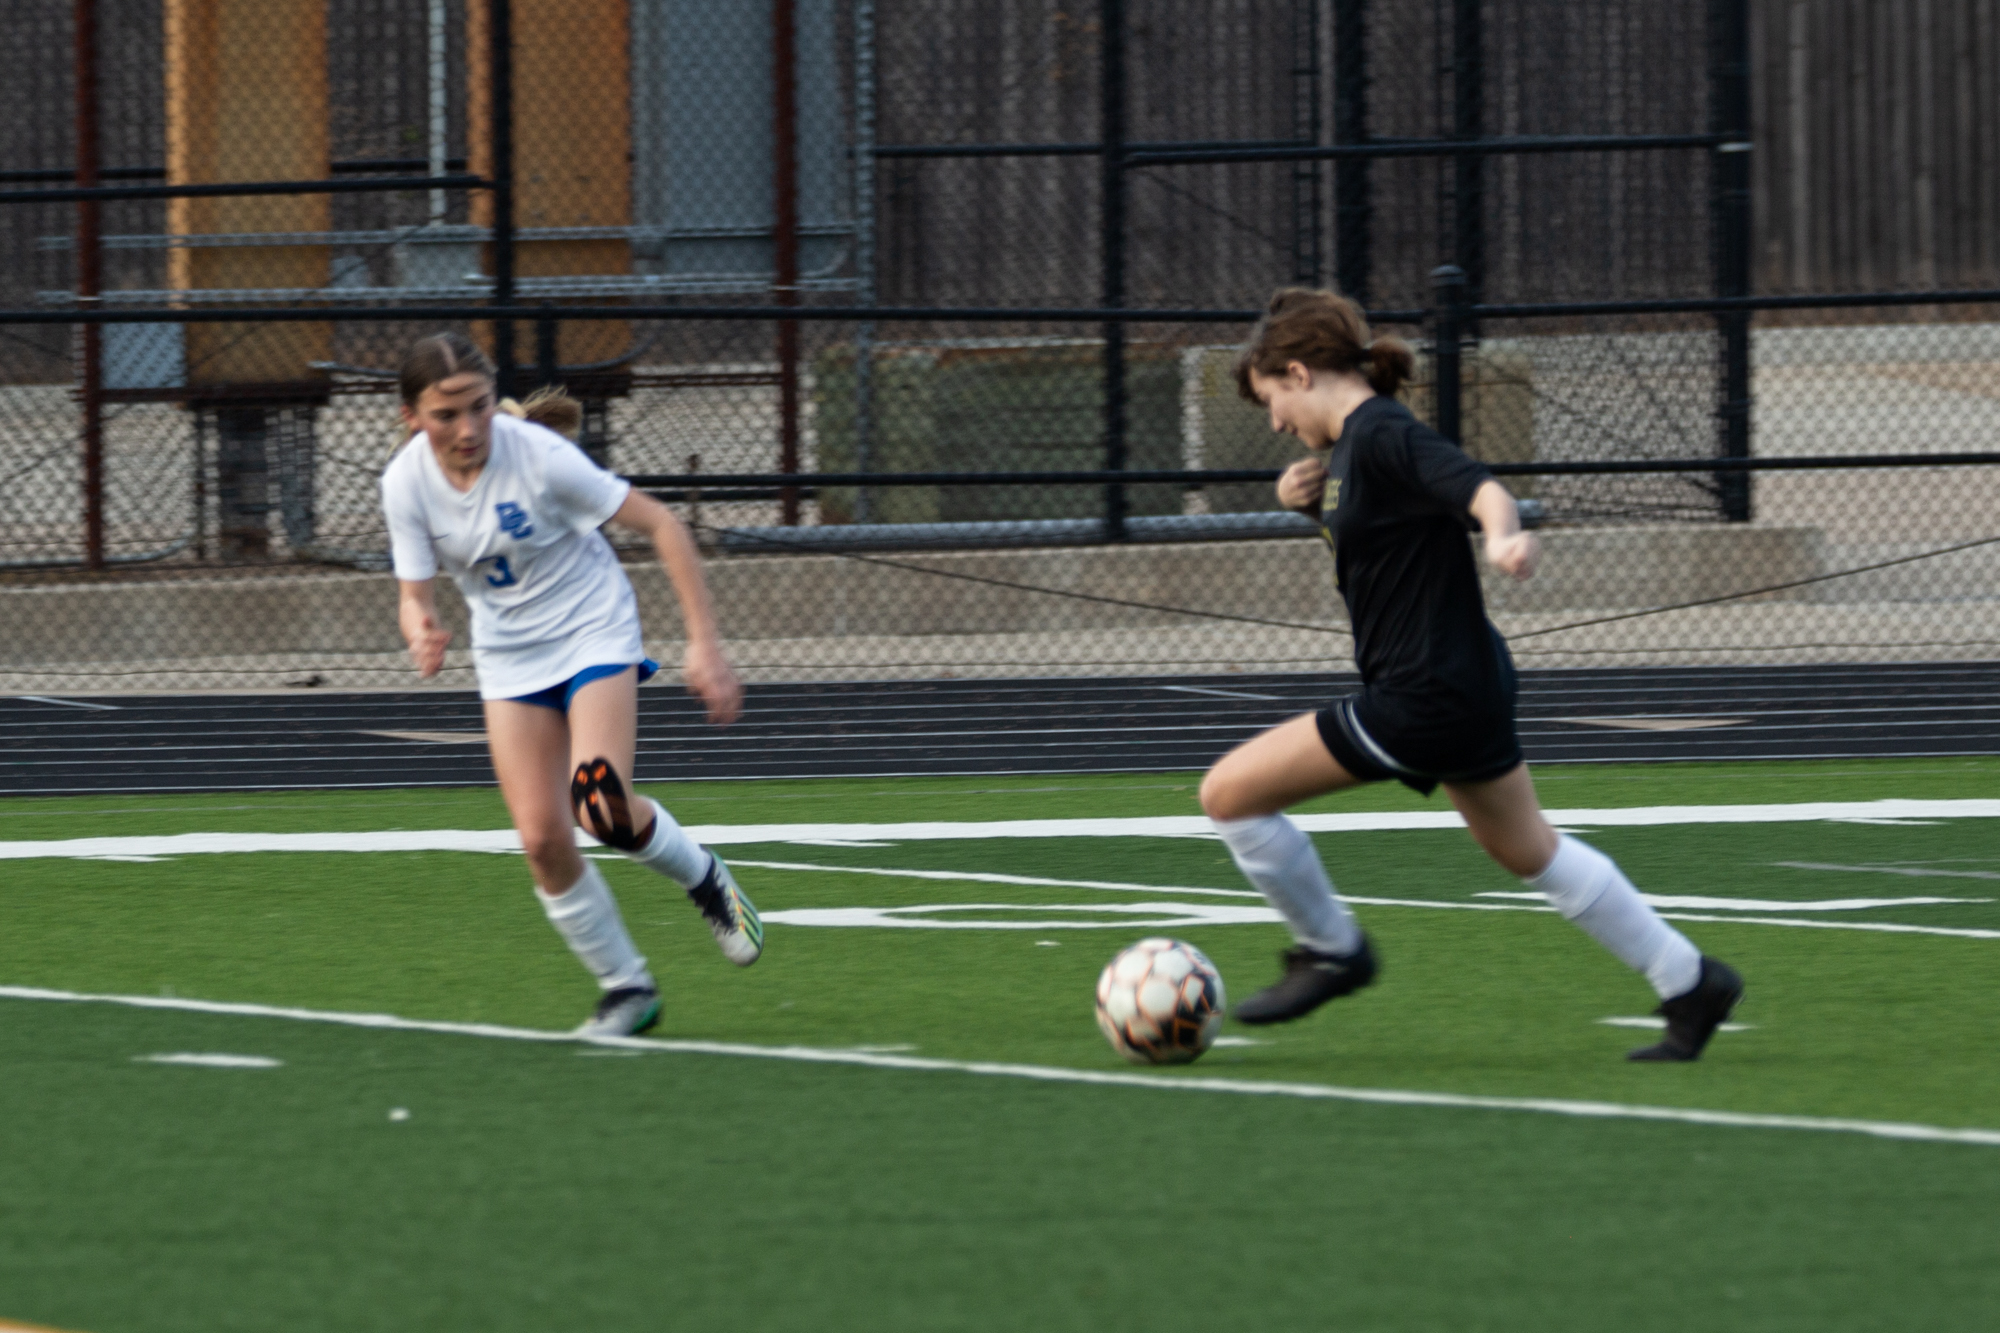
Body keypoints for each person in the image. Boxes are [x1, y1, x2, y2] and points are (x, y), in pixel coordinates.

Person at [1198, 289, 1743, 1062]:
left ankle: (1332, 949)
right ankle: (1691, 980)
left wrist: (1503, 536)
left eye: (1271, 401)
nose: (1276, 423)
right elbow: (1383, 549)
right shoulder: (1349, 451)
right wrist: (1308, 510)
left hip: (1422, 695)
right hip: (1464, 681)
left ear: (1298, 372)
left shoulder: (1381, 432)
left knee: (1228, 794)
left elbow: (1482, 489)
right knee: (1529, 849)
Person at [381, 332, 762, 1039]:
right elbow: (414, 593)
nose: (468, 429)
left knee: (601, 805)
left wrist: (704, 645)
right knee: (542, 839)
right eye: (445, 415)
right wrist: (420, 625)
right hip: (509, 656)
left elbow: (663, 524)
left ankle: (704, 877)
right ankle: (627, 988)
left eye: (479, 407)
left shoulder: (540, 457)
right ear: (411, 417)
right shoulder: (405, 483)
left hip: (591, 629)